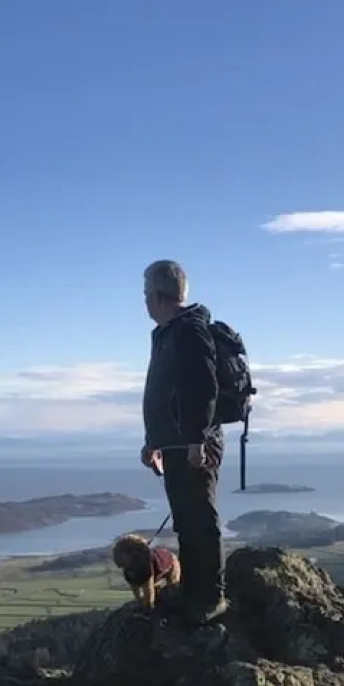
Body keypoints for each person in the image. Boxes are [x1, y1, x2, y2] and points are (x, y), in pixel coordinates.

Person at [140, 259, 228, 624]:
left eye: (146, 293)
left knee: (200, 519)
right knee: (185, 520)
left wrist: (196, 440)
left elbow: (203, 387)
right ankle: (193, 591)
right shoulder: (168, 332)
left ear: (159, 295)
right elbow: (164, 395)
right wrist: (152, 442)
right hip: (175, 444)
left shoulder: (190, 331)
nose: (144, 301)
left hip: (194, 445)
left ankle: (210, 598)